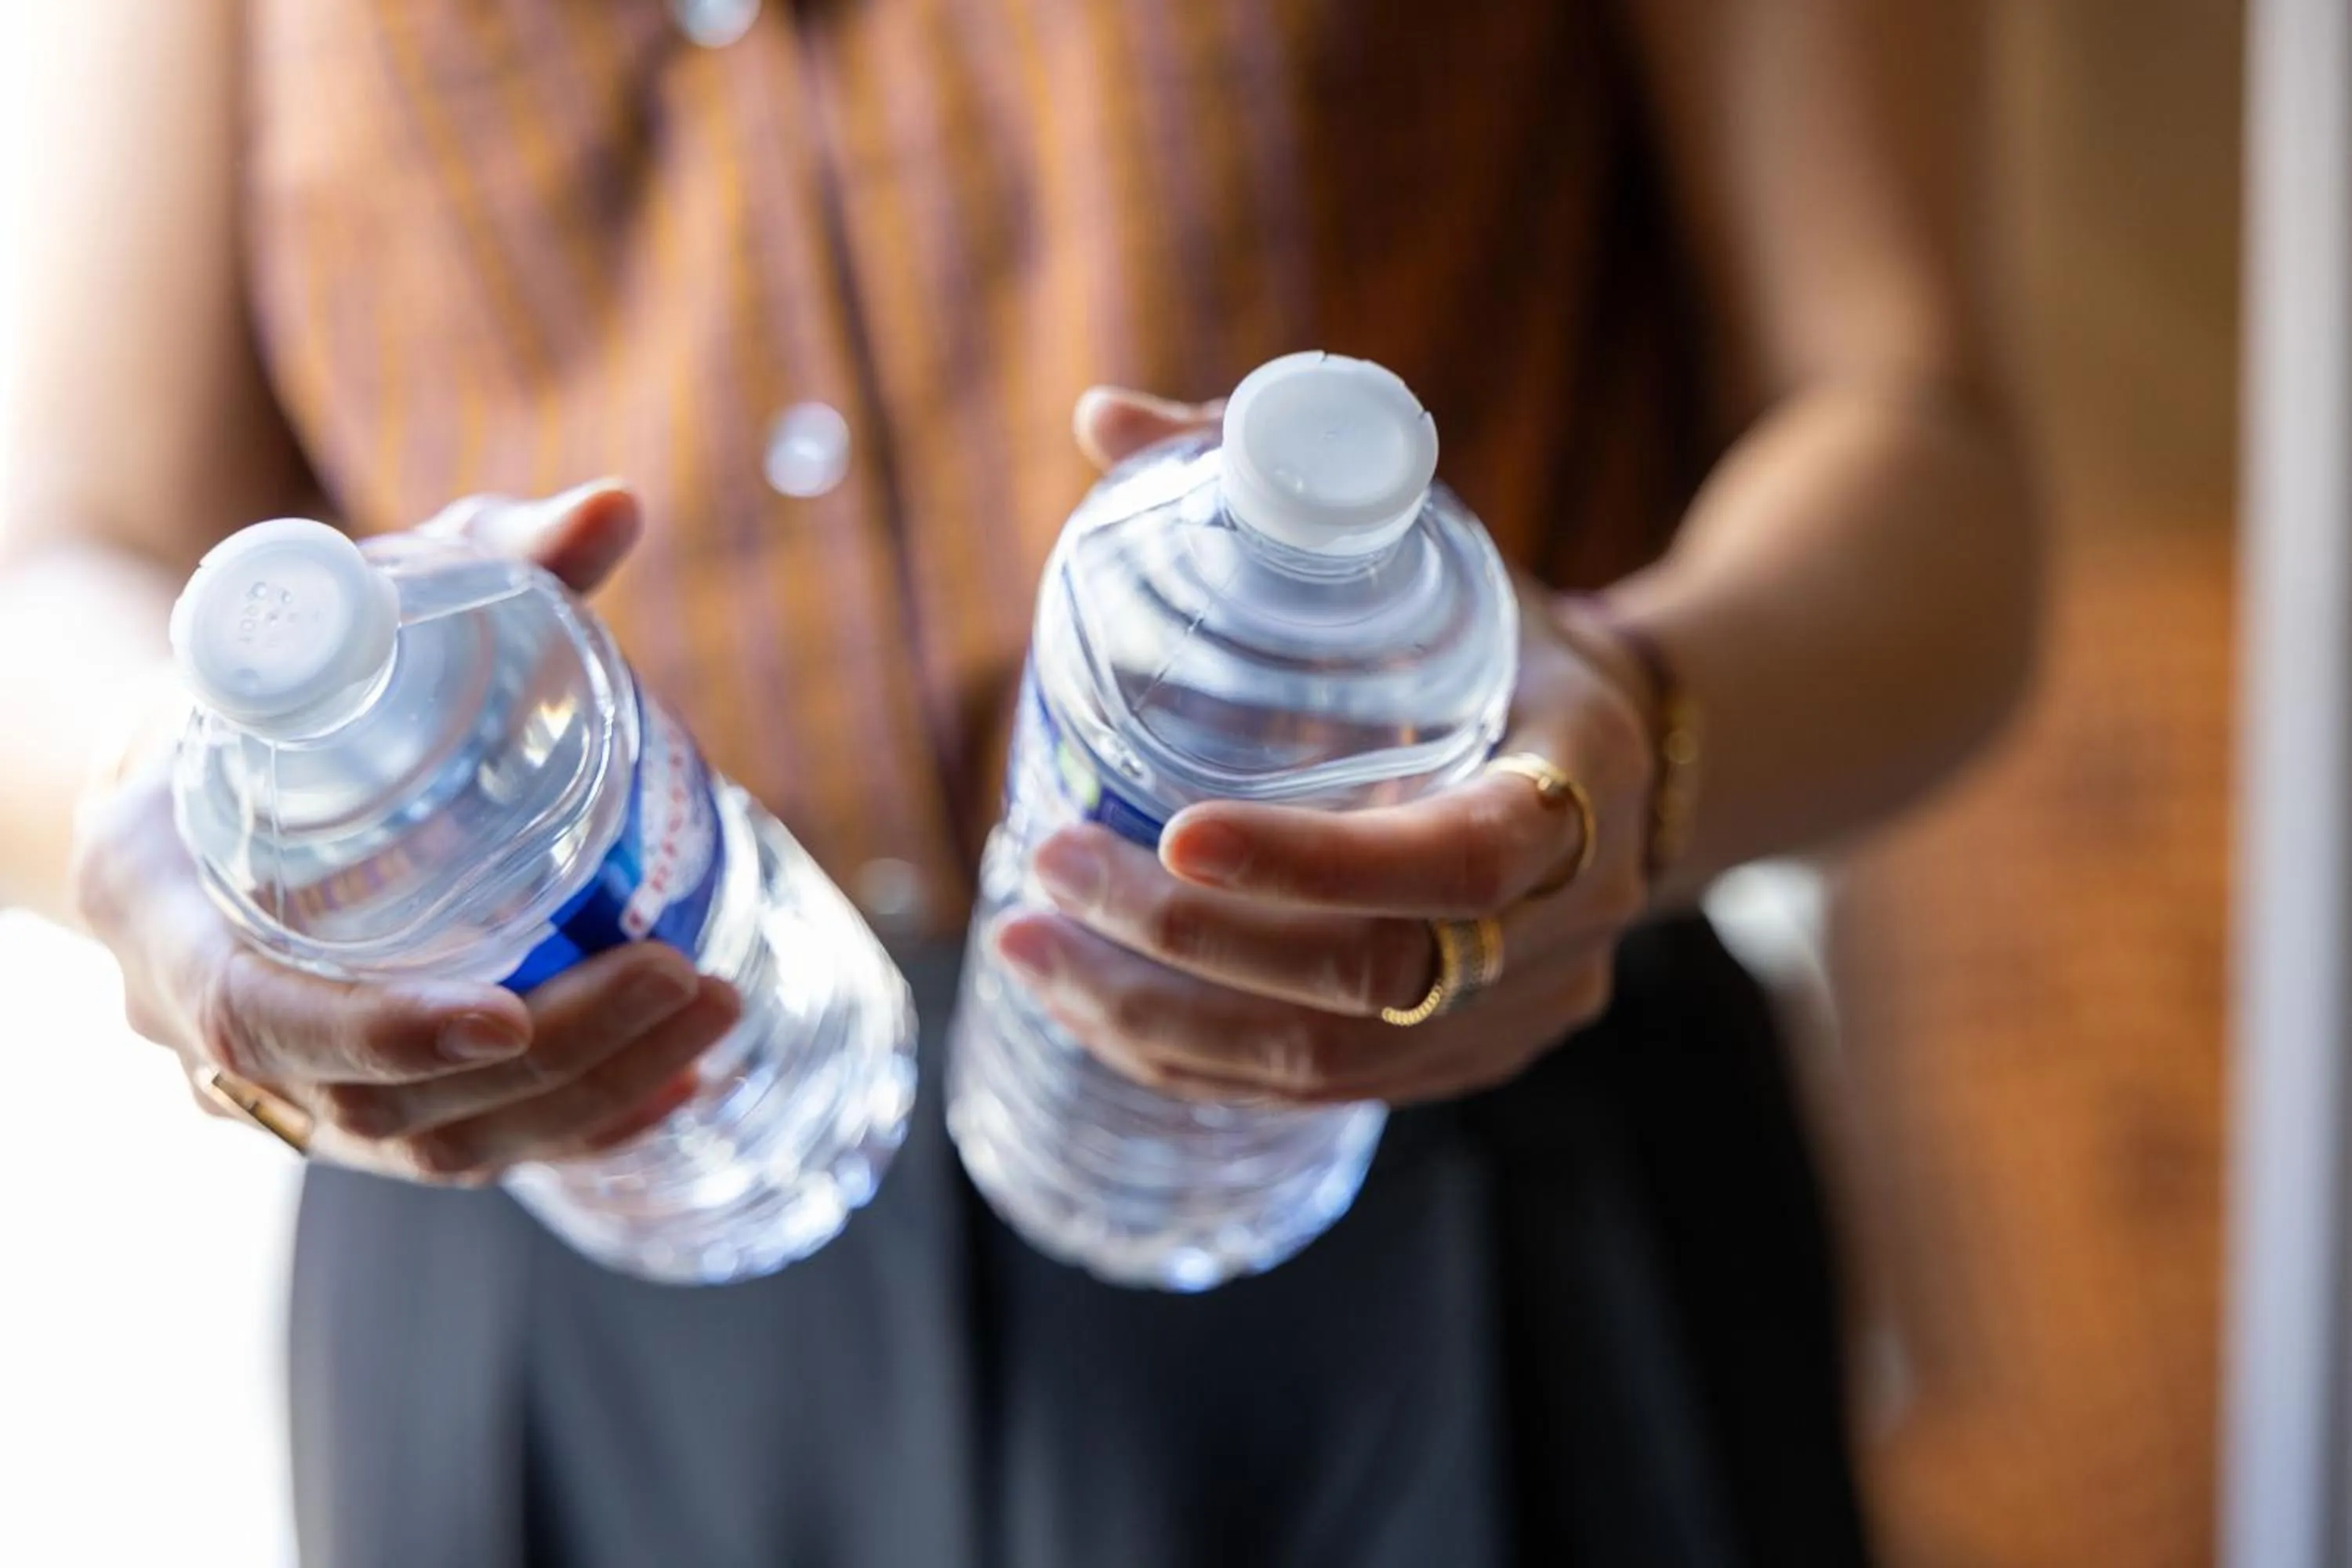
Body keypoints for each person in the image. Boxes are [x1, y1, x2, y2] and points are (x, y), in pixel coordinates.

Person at [3, 2, 2038, 1563]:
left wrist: (1640, 733)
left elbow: (1916, 437)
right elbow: (59, 554)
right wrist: (161, 839)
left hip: (1439, 1139)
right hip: (587, 1180)